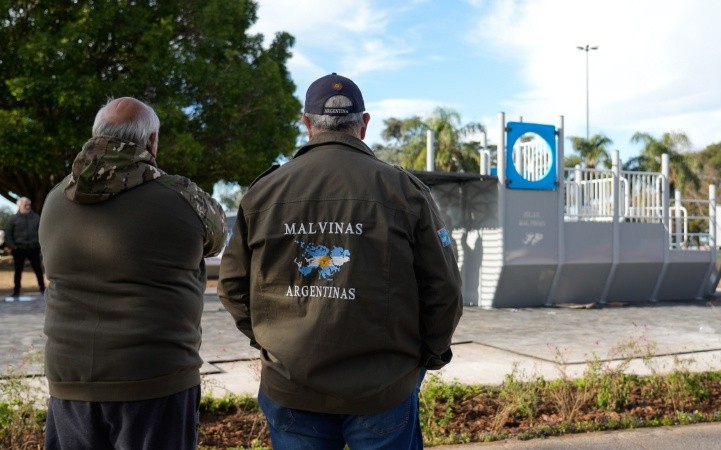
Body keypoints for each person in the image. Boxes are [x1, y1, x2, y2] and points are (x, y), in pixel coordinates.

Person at [218, 73, 463, 449]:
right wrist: (425, 355)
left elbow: (233, 286)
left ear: (306, 124)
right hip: (383, 388)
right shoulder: (404, 191)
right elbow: (443, 288)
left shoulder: (263, 192)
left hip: (291, 386)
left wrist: (272, 342)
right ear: (363, 124)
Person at [39, 97, 227, 449]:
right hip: (156, 377)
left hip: (70, 379)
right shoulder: (183, 197)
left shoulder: (53, 200)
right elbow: (217, 241)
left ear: (96, 135)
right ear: (152, 141)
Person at [4, 196, 46, 297]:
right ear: (19, 206)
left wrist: (40, 245)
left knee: (38, 269)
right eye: (25, 205)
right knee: (18, 271)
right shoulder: (12, 219)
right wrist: (13, 247)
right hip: (19, 249)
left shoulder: (36, 218)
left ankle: (43, 289)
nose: (27, 206)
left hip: (34, 248)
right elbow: (8, 234)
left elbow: (42, 231)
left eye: (28, 205)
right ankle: (16, 291)